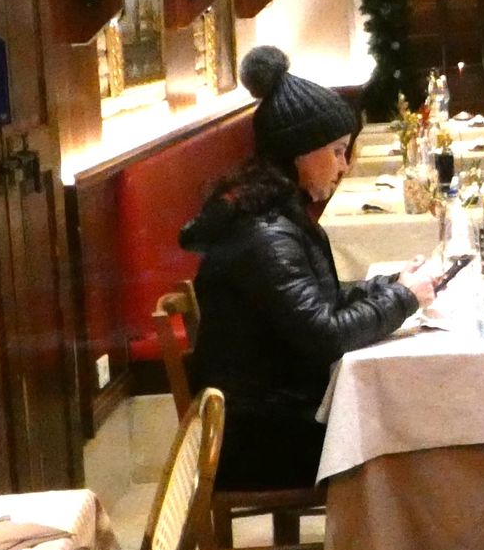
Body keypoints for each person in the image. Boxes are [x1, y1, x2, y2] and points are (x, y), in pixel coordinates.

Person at [180, 45, 436, 489]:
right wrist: (403, 299)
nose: (344, 166)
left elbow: (319, 301)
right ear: (299, 153)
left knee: (411, 416)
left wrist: (392, 284)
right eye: (336, 151)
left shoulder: (275, 212)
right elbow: (324, 335)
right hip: (256, 435)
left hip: (274, 409)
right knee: (414, 432)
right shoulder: (266, 234)